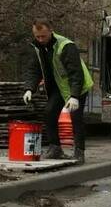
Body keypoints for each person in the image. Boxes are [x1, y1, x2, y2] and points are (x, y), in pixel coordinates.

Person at [22, 18, 93, 164]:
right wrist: (29, 89)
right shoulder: (37, 47)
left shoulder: (66, 46)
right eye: (37, 36)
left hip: (77, 86)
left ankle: (79, 152)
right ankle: (55, 148)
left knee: (76, 117)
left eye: (43, 36)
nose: (41, 39)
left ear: (51, 31)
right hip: (59, 86)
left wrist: (74, 96)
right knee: (49, 113)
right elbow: (34, 69)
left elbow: (76, 73)